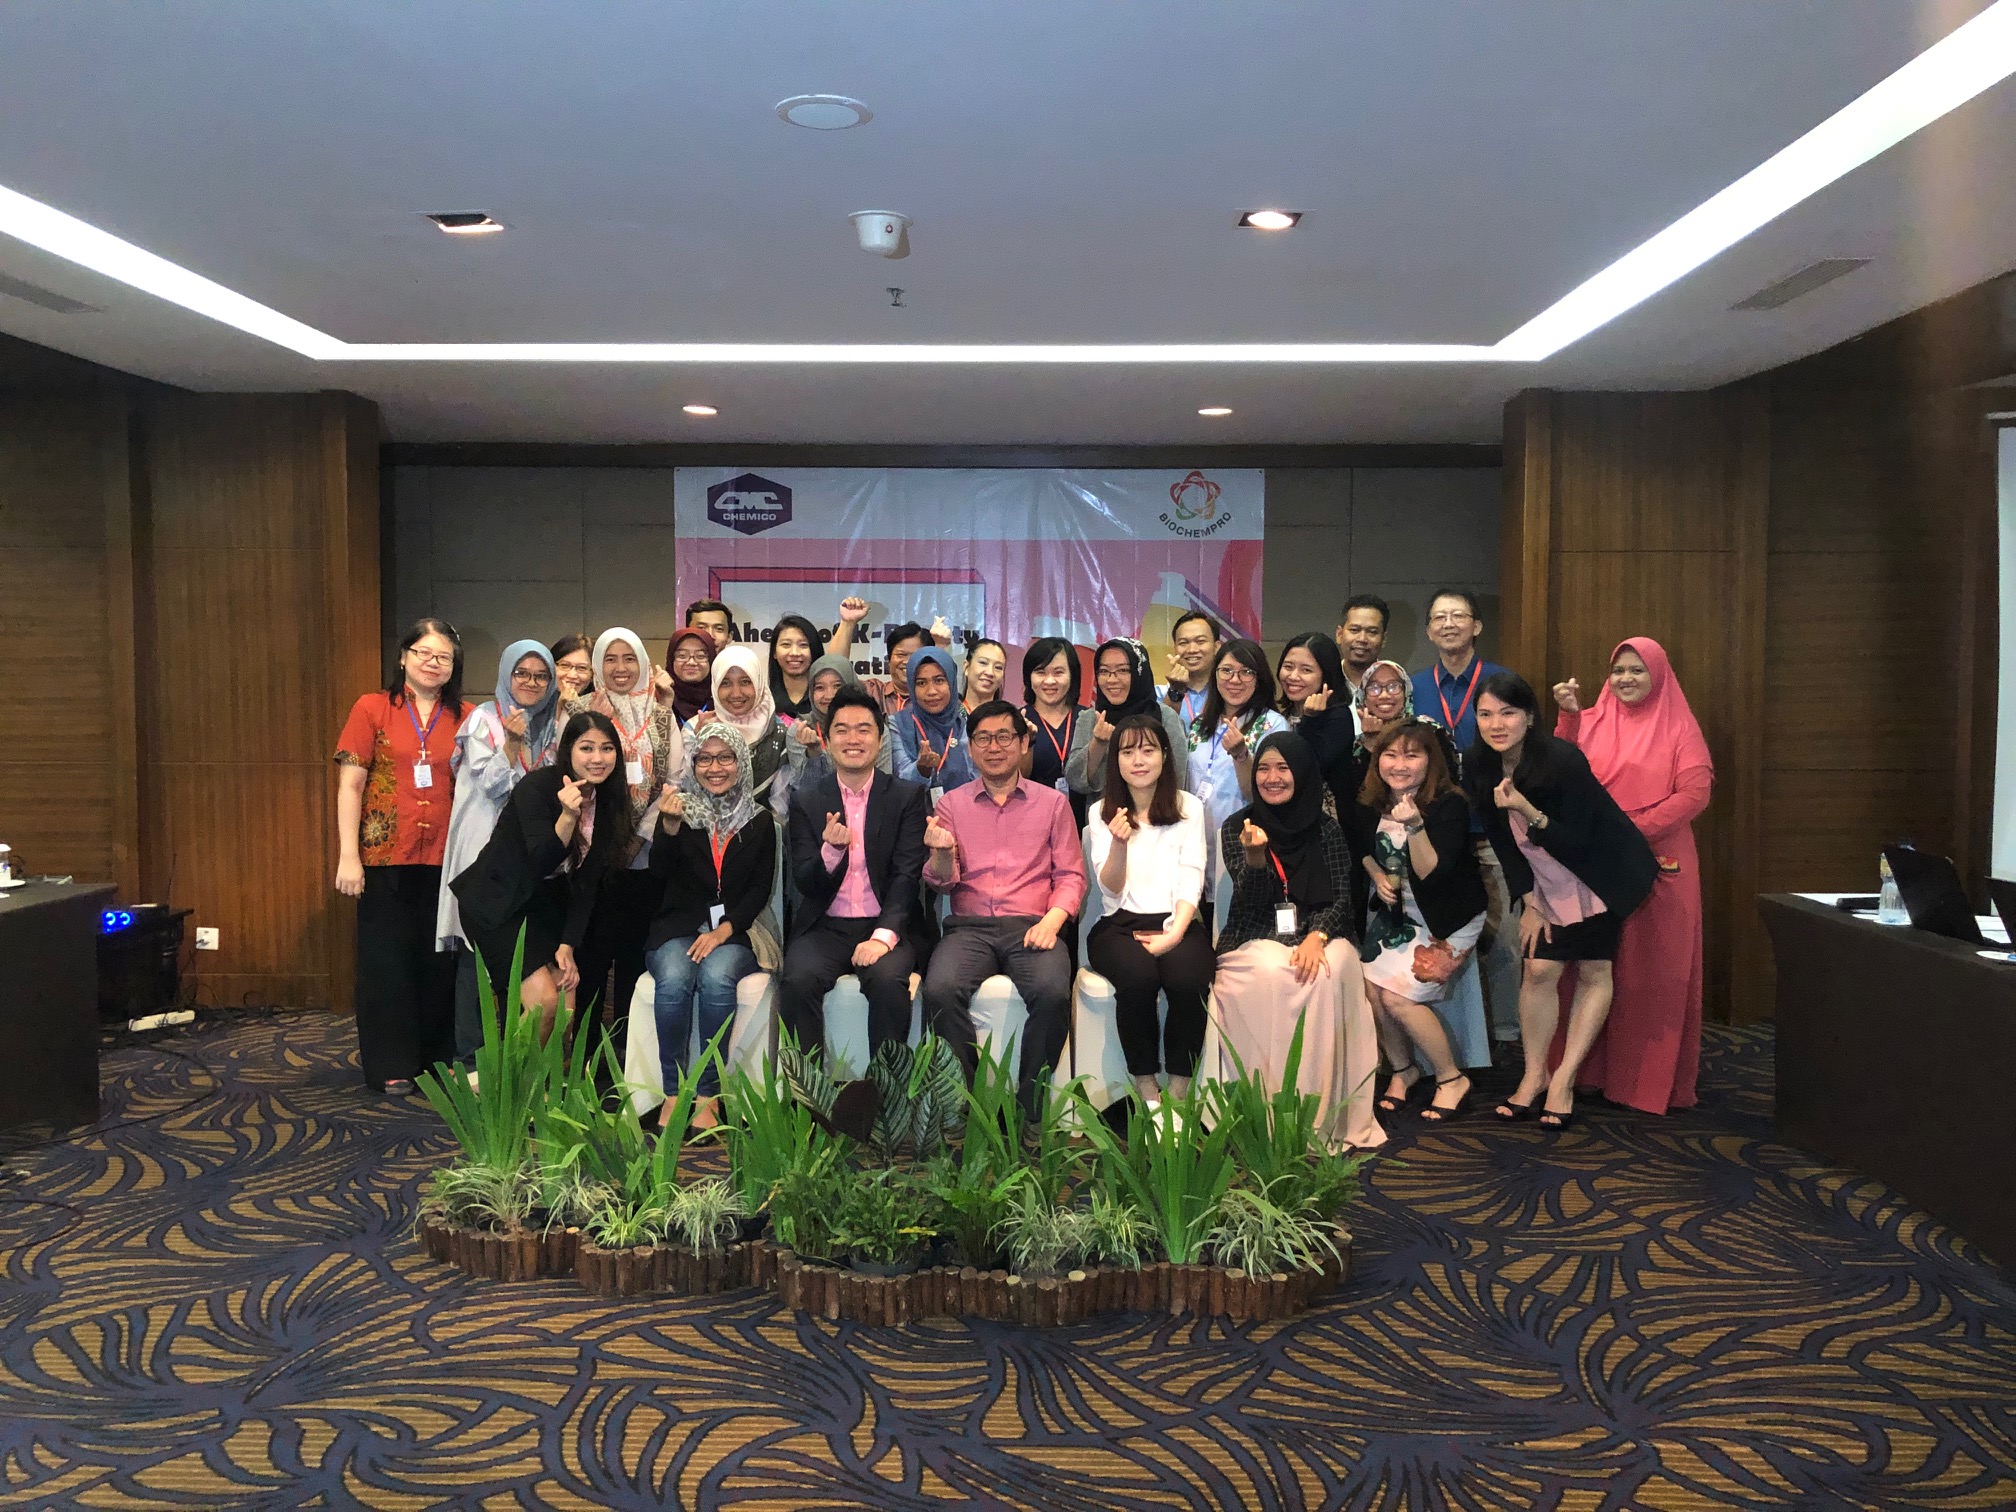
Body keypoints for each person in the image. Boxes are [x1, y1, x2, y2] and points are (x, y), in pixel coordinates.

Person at [1468, 672, 1658, 1130]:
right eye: (1486, 714)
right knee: (1538, 969)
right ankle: (1535, 1075)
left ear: (1530, 717)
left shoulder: (1562, 760)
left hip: (1600, 873)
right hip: (1544, 877)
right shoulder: (1477, 762)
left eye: (1508, 713)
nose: (1497, 724)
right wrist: (1529, 901)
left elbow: (1581, 842)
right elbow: (1501, 840)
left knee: (1593, 970)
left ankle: (1564, 1081)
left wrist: (1526, 809)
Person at [1552, 638, 1713, 1114]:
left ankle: (1642, 1083)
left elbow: (1695, 794)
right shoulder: (1590, 718)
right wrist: (1568, 716)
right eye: (1619, 670)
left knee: (1653, 972)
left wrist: (1627, 831)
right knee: (1593, 966)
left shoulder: (1679, 727)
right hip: (1597, 861)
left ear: (1658, 675)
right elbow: (1561, 770)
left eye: (1637, 670)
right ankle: (1584, 1074)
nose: (1626, 679)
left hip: (1661, 861)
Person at [1212, 732, 1384, 1150]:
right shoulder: (1237, 827)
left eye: (1283, 768)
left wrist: (1316, 937)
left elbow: (1342, 897)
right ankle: (1265, 1113)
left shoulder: (1327, 829)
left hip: (1325, 930)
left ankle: (1320, 1117)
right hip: (1256, 931)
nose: (1272, 778)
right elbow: (1251, 903)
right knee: (1271, 972)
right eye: (1263, 769)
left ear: (1303, 773)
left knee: (1326, 971)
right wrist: (1255, 857)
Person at [920, 701, 1086, 1106]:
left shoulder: (1053, 804)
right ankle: (967, 1104)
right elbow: (942, 882)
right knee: (940, 989)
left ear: (1023, 743)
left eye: (1004, 737)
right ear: (971, 748)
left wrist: (1052, 922)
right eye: (983, 739)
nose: (993, 747)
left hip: (1033, 924)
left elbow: (1070, 875)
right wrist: (941, 853)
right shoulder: (951, 805)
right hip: (968, 929)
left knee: (1052, 993)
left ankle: (1030, 1108)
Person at [333, 617, 464, 1094]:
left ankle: (436, 1059)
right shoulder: (371, 709)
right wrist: (349, 856)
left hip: (446, 858)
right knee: (387, 963)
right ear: (404, 657)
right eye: (424, 653)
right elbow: (351, 785)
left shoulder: (467, 716)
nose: (433, 663)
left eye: (444, 656)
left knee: (439, 963)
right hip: (385, 855)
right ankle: (392, 1062)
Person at [1346, 720, 1488, 1123]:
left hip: (1447, 918)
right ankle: (1404, 1069)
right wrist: (1376, 874)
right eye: (1390, 755)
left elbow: (1432, 874)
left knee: (1399, 998)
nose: (1399, 765)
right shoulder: (1371, 799)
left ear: (1431, 761)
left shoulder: (1449, 804)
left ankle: (1451, 1079)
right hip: (1399, 915)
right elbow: (1361, 847)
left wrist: (1414, 825)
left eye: (1412, 755)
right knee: (1372, 989)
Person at [451, 711, 629, 1029]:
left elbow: (588, 883)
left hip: (544, 907)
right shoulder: (537, 787)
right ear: (568, 751)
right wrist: (568, 817)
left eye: (607, 748)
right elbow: (540, 860)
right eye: (586, 748)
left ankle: (538, 1066)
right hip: (498, 903)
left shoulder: (607, 801)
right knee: (543, 1004)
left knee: (566, 1008)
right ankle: (509, 1065)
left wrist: (567, 944)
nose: (597, 758)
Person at [779, 688, 930, 1058]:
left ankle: (887, 1088)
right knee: (797, 979)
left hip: (887, 923)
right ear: (827, 740)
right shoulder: (806, 800)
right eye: (842, 730)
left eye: (864, 729)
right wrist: (830, 852)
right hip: (825, 927)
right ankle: (806, 1089)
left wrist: (882, 937)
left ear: (879, 739)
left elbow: (906, 877)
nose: (853, 739)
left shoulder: (907, 797)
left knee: (887, 980)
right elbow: (805, 881)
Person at [645, 723, 775, 1130]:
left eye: (725, 757)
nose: (714, 768)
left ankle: (707, 1094)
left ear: (741, 761)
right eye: (704, 758)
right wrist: (668, 828)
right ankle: (672, 1092)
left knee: (717, 978)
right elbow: (658, 874)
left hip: (737, 930)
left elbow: (759, 889)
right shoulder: (678, 811)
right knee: (673, 978)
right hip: (678, 926)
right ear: (693, 763)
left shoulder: (759, 820)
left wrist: (724, 930)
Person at [437, 640, 561, 1067]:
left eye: (541, 675)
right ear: (507, 674)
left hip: (526, 857)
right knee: (477, 953)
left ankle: (512, 1063)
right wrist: (511, 744)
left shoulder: (552, 726)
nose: (531, 682)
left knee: (517, 954)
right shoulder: (483, 720)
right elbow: (493, 785)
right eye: (522, 673)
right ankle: (472, 1059)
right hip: (484, 852)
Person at [1085, 714, 1213, 1106]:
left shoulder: (1189, 807)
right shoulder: (1101, 812)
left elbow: (1192, 875)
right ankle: (1146, 1088)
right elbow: (1110, 890)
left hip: (1179, 919)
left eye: (1147, 750)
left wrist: (1174, 935)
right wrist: (1119, 844)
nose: (1138, 760)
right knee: (1138, 979)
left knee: (1189, 981)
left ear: (1164, 756)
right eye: (1127, 752)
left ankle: (1179, 1090)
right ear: (1116, 761)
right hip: (1118, 926)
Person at [1409, 589, 1517, 1042]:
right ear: (1429, 630)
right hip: (1435, 831)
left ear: (1477, 626)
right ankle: (1452, 1034)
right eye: (1440, 617)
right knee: (1438, 931)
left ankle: (1507, 1034)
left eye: (1458, 616)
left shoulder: (1502, 683)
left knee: (1505, 937)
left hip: (1492, 825)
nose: (1449, 624)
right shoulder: (1414, 687)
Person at [569, 628, 682, 1057]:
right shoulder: (580, 710)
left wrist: (638, 837)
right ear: (598, 665)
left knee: (635, 961)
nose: (620, 668)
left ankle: (628, 1057)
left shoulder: (661, 714)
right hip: (593, 856)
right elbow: (569, 772)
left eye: (629, 658)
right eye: (610, 659)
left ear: (642, 663)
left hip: (644, 858)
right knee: (592, 960)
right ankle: (587, 1057)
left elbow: (675, 780)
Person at [1185, 639, 1287, 858]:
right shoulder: (1200, 725)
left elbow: (1262, 792)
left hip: (1245, 837)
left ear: (1259, 678)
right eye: (1226, 671)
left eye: (1246, 672)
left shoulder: (1273, 725)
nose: (1234, 680)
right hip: (1195, 837)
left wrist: (1241, 754)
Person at [1068, 639, 1190, 801]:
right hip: (1103, 814)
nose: (1112, 680)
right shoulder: (1090, 718)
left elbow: (1177, 780)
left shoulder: (1166, 717)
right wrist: (1098, 743)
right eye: (1104, 671)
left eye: (1123, 670)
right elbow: (1075, 781)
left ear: (1140, 672)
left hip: (1159, 813)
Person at [708, 645, 788, 809]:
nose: (736, 693)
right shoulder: (699, 731)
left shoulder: (780, 734)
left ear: (759, 683)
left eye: (745, 682)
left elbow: (781, 804)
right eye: (725, 683)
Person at [1276, 633, 1355, 789]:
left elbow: (1307, 767)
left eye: (1306, 670)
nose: (1293, 676)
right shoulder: (1283, 715)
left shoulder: (1339, 717)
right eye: (1288, 667)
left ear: (1325, 676)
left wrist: (1309, 719)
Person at [894, 647, 977, 792]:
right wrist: (920, 769)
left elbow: (979, 777)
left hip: (963, 804)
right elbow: (899, 780)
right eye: (921, 683)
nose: (931, 691)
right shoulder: (898, 723)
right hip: (913, 806)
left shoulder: (967, 722)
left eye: (939, 680)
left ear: (951, 682)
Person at [1021, 636, 1083, 798]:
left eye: (1058, 672)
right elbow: (1015, 780)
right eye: (1040, 672)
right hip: (1033, 811)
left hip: (1084, 813)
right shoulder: (1018, 721)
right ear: (1028, 677)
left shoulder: (1089, 719)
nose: (1049, 681)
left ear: (1072, 675)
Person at [1160, 609, 1221, 729]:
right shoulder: (1158, 695)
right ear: (1175, 648)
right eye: (1183, 643)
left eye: (1200, 641)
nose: (1192, 650)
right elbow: (1159, 733)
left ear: (1217, 646)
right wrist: (1175, 691)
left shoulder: (1228, 693)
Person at [768, 614, 825, 722]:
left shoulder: (825, 700)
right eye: (786, 644)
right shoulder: (765, 702)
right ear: (774, 652)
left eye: (803, 645)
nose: (794, 653)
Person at [1335, 593, 1391, 703]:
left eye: (1372, 632)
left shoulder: (1396, 687)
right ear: (1339, 635)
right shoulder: (1323, 684)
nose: (1362, 639)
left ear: (1383, 639)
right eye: (1354, 630)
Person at [662, 627, 714, 728]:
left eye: (700, 656)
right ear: (671, 660)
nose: (691, 662)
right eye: (682, 656)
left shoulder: (722, 700)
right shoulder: (656, 697)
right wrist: (664, 702)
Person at [961, 638, 1009, 715]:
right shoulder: (949, 715)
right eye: (983, 663)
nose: (990, 672)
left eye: (998, 667)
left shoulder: (1008, 718)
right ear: (966, 667)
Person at [551, 634, 594, 703]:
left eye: (582, 668)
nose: (572, 675)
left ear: (592, 674)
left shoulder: (601, 706)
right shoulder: (537, 702)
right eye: (565, 665)